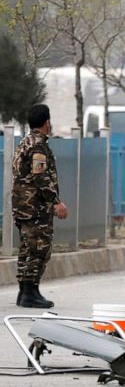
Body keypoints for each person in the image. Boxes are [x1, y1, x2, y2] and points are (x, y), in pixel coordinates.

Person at [12, 104, 70, 309]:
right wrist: (56, 202)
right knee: (39, 249)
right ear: (47, 122)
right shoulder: (38, 146)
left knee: (27, 249)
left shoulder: (24, 142)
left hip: (22, 207)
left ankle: (26, 291)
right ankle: (30, 292)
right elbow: (40, 176)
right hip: (34, 208)